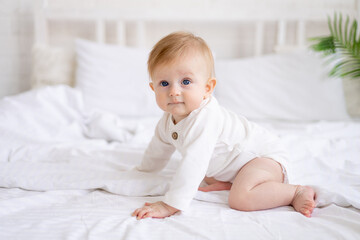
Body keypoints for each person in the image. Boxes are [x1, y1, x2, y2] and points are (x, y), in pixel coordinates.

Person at [132, 31, 316, 220]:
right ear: (153, 88)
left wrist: (170, 204)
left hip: (263, 158)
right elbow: (158, 150)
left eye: (185, 82)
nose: (173, 91)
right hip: (235, 164)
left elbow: (194, 161)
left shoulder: (206, 118)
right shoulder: (167, 121)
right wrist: (143, 172)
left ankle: (295, 192)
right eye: (164, 83)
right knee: (206, 174)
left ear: (207, 88)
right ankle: (233, 181)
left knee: (240, 199)